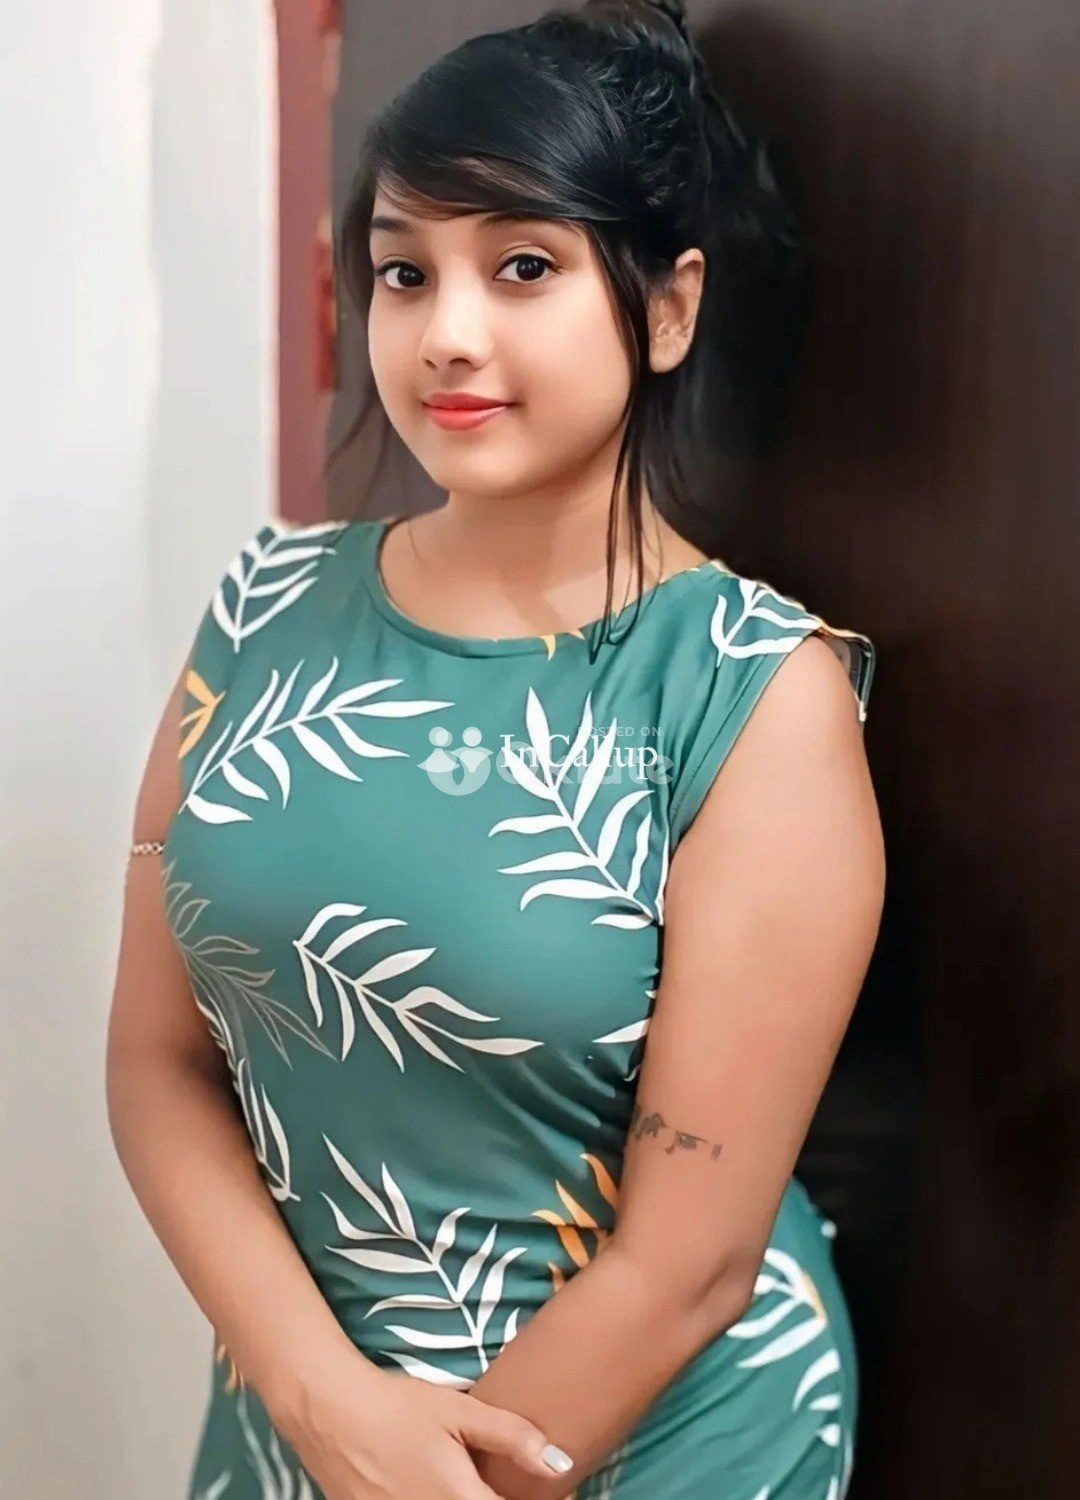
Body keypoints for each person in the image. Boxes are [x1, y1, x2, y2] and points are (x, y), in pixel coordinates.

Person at [106, 2, 885, 1497]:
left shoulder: (747, 690)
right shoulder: (263, 608)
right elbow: (157, 1063)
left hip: (651, 1435)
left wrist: (417, 1477)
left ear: (668, 306)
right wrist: (323, 1408)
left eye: (523, 266)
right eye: (406, 271)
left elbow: (690, 1264)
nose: (446, 333)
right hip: (309, 1421)